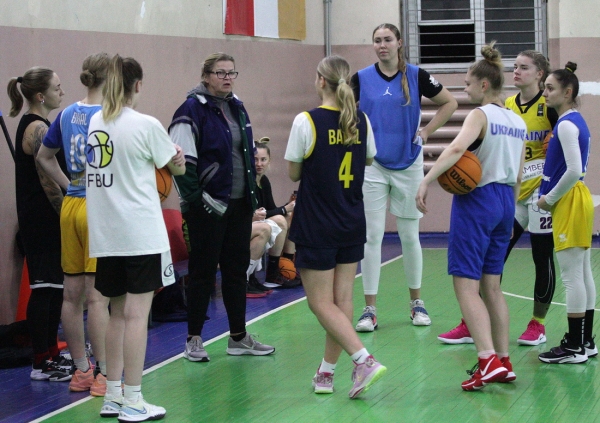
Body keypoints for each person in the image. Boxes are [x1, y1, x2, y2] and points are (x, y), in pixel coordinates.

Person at [415, 42, 526, 391]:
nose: (464, 90)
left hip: (478, 201)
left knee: (465, 285)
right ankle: (503, 360)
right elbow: (519, 175)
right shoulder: (518, 120)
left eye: (467, 84)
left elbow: (457, 148)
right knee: (492, 287)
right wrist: (510, 215)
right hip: (505, 202)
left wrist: (426, 180)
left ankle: (486, 358)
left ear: (484, 84)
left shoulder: (481, 115)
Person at [86, 55, 185, 421]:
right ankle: (134, 399)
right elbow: (177, 167)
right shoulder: (146, 124)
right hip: (141, 233)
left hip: (107, 233)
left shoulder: (96, 121)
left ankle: (113, 395)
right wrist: (178, 159)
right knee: (136, 316)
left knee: (116, 313)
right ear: (137, 85)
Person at [438, 50, 558, 346]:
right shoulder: (507, 107)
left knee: (542, 257)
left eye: (524, 67)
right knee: (492, 265)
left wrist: (555, 144)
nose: (516, 71)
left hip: (541, 192)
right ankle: (474, 322)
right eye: (514, 67)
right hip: (511, 192)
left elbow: (565, 140)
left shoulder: (549, 106)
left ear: (539, 74)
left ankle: (538, 323)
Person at [285, 55, 386, 399]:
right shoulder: (361, 120)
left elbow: (294, 173)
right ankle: (326, 373)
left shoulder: (307, 120)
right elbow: (368, 159)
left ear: (320, 81)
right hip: (351, 219)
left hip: (317, 222)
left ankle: (363, 360)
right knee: (341, 303)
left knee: (320, 303)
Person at [169, 52, 275, 363]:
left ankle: (238, 337)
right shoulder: (190, 110)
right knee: (202, 273)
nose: (227, 78)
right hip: (206, 209)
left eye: (231, 73)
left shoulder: (237, 107)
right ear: (206, 76)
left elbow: (245, 156)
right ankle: (193, 339)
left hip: (239, 206)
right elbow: (180, 166)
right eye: (220, 73)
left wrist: (251, 199)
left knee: (235, 271)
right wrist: (200, 201)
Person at [352, 23, 458, 331]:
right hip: (372, 164)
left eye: (387, 39)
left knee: (409, 236)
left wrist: (426, 131)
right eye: (377, 40)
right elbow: (340, 108)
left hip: (409, 163)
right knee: (372, 236)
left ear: (399, 42)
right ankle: (369, 309)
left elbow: (450, 103)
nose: (382, 45)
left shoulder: (417, 75)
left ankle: (417, 303)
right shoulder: (360, 78)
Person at [37, 53, 111, 396]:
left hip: (71, 206)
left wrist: (69, 186)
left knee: (71, 294)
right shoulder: (110, 115)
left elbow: (44, 156)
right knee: (97, 298)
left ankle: (81, 370)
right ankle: (105, 373)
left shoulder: (66, 114)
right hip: (98, 207)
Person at [8, 67, 71, 382]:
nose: (62, 92)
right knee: (45, 289)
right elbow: (49, 184)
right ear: (40, 95)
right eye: (57, 88)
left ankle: (52, 353)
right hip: (42, 220)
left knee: (55, 289)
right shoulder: (36, 129)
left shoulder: (41, 125)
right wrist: (66, 214)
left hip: (47, 219)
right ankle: (41, 362)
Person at [537, 62, 596, 364]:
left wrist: (549, 198)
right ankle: (586, 341)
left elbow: (574, 170)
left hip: (570, 199)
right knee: (583, 273)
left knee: (572, 276)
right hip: (578, 198)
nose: (545, 93)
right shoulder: (575, 121)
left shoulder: (565, 125)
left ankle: (574, 346)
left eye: (550, 88)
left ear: (567, 92)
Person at [248, 137, 300, 294]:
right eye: (255, 159)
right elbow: (259, 214)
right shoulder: (247, 181)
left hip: (258, 223)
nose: (259, 164)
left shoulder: (264, 181)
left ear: (269, 161)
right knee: (280, 219)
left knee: (290, 216)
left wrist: (287, 208)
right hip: (245, 225)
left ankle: (285, 266)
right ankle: (267, 273)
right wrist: (283, 209)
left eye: (263, 159)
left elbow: (270, 209)